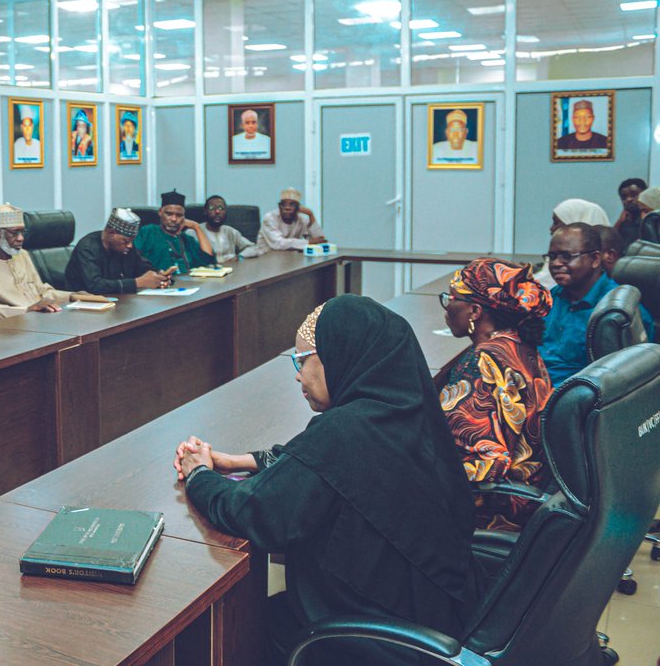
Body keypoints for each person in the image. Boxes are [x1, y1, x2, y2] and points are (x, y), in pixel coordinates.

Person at [174, 296, 477, 666]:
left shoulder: (344, 432)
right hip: (433, 616)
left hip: (368, 638)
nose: (298, 375)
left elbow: (252, 511)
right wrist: (239, 461)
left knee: (255, 625)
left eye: (302, 361)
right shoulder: (405, 410)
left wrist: (199, 473)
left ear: (341, 355)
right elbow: (318, 466)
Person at [438, 259, 553, 531]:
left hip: (495, 510)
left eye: (451, 298)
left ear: (474, 311)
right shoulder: (519, 345)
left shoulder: (482, 363)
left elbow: (482, 463)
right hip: (528, 490)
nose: (446, 307)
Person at [539, 222, 653, 385]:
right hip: (531, 386)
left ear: (594, 259)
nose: (556, 263)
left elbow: (628, 382)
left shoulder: (618, 312)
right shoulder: (551, 297)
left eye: (566, 256)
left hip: (571, 398)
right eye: (552, 256)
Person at [0, 204, 86, 318]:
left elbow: (42, 291)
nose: (21, 238)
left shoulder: (22, 255)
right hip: (14, 327)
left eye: (22, 232)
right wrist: (26, 311)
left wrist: (72, 296)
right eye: (14, 233)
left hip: (43, 317)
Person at [64, 208, 173, 295]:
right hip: (85, 308)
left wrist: (158, 276)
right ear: (111, 232)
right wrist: (136, 283)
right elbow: (95, 286)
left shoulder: (125, 247)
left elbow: (143, 267)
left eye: (131, 241)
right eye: (126, 241)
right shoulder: (87, 248)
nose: (130, 246)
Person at [134, 189, 216, 274]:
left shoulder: (186, 238)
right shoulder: (148, 232)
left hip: (189, 284)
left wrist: (197, 227)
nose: (174, 219)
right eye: (169, 214)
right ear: (160, 212)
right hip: (160, 283)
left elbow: (209, 260)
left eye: (179, 215)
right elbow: (134, 258)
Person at [199, 195, 264, 262]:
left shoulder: (230, 231)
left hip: (231, 269)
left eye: (221, 208)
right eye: (212, 208)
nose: (217, 212)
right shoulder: (195, 232)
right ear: (205, 211)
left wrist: (240, 256)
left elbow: (254, 248)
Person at [261, 188, 327, 250]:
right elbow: (278, 243)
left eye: (291, 205)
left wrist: (311, 215)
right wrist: (308, 242)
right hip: (267, 255)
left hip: (289, 257)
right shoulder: (269, 218)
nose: (287, 208)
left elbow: (320, 239)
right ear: (279, 207)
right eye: (283, 205)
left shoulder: (301, 219)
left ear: (298, 208)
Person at [614, 178, 647, 246]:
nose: (628, 199)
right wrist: (619, 222)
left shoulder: (654, 220)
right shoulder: (622, 224)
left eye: (634, 194)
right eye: (624, 197)